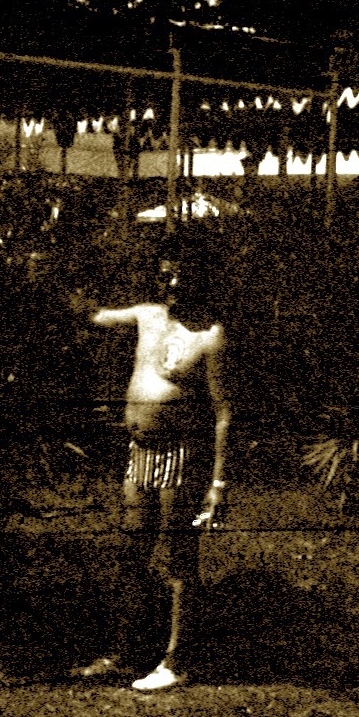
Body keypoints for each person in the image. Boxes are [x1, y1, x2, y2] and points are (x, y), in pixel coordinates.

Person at [84, 254, 230, 690]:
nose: (173, 282)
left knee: (177, 558)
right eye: (167, 274)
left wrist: (218, 483)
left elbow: (223, 411)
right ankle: (124, 653)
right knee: (132, 552)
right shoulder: (147, 316)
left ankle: (175, 660)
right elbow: (94, 316)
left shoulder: (210, 336)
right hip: (140, 450)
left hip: (182, 454)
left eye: (182, 274)